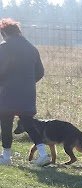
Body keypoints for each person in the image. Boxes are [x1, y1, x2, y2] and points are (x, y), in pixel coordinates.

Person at [0, 18, 48, 167]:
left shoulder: (4, 47)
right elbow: (40, 72)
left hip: (7, 92)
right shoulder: (32, 48)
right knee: (28, 123)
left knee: (6, 123)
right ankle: (43, 154)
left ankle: (6, 156)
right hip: (27, 93)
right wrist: (27, 83)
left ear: (4, 33)